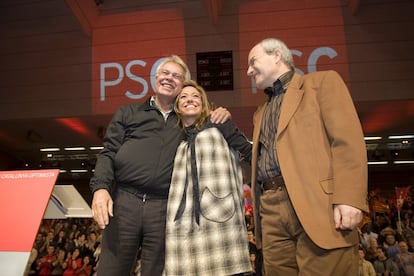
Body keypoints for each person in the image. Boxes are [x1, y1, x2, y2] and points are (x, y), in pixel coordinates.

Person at [89, 55, 230, 276]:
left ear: (183, 85)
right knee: (111, 270)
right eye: (165, 73)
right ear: (156, 78)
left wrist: (221, 114)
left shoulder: (188, 119)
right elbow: (107, 153)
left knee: (157, 271)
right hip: (124, 202)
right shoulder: (128, 112)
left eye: (176, 76)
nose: (169, 78)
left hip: (164, 208)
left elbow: (212, 125)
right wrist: (100, 189)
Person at [246, 37, 369, 275]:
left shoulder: (322, 82)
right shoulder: (260, 112)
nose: (249, 70)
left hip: (317, 203)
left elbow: (347, 141)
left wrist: (350, 198)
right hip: (270, 209)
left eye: (253, 61)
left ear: (277, 55)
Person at [163, 80, 252, 275]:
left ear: (203, 103)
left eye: (196, 96)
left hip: (220, 215)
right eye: (183, 97)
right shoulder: (176, 137)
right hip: (184, 219)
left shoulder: (218, 122)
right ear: (177, 106)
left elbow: (248, 150)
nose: (190, 100)